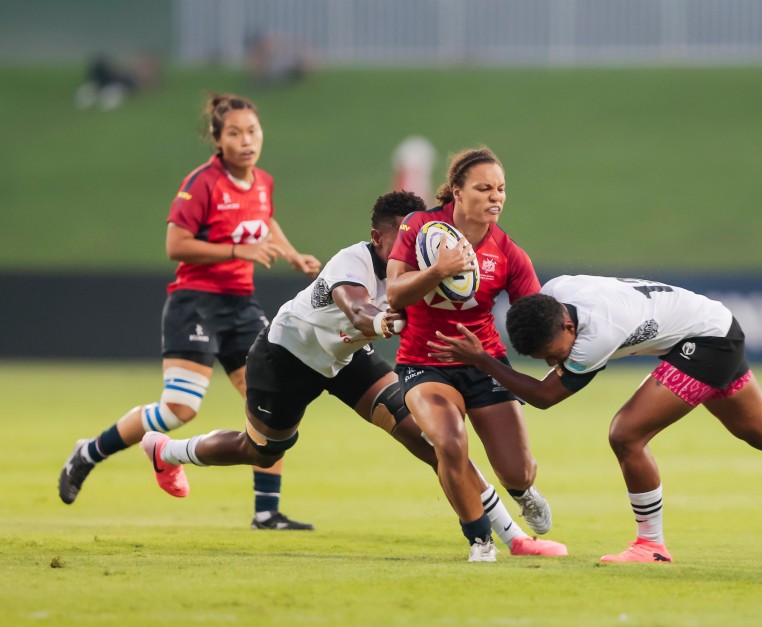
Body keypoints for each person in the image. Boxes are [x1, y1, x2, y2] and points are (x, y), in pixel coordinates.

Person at [140, 191, 565, 558]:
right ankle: (167, 452)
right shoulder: (351, 261)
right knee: (260, 451)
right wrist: (382, 323)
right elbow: (357, 308)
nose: (410, 245)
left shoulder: (419, 269)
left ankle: (512, 537)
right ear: (378, 237)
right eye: (400, 236)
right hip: (285, 358)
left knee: (427, 437)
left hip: (346, 360)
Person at [428, 275, 762, 563]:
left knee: (625, 434)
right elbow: (544, 360)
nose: (558, 362)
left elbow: (547, 397)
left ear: (569, 327)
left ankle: (651, 545)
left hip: (706, 341)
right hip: (714, 327)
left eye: (557, 353)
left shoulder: (596, 333)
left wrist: (485, 362)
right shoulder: (557, 295)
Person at [59, 93, 322, 531]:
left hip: (241, 306)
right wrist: (240, 249)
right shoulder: (202, 183)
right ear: (217, 140)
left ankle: (266, 512)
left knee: (269, 405)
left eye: (252, 131)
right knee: (178, 409)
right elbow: (175, 245)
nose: (245, 140)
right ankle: (88, 452)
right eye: (234, 133)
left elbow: (265, 219)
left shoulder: (262, 182)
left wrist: (291, 254)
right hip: (196, 302)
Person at [386, 147, 564, 563]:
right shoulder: (420, 227)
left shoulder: (508, 253)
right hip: (423, 363)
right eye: (484, 188)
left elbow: (534, 317)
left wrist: (564, 352)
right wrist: (437, 271)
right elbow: (394, 292)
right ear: (457, 193)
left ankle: (523, 492)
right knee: (448, 443)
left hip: (485, 363)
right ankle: (480, 540)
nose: (495, 197)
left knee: (517, 471)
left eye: (501, 189)